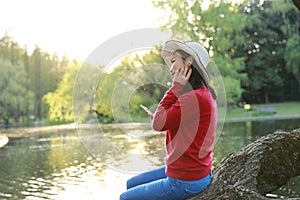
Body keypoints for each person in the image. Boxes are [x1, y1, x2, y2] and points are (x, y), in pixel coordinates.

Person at [120, 40, 217, 200]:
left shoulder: (194, 98)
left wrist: (176, 87)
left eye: (173, 62)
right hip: (186, 172)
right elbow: (171, 123)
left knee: (125, 198)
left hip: (186, 180)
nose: (170, 69)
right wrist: (162, 118)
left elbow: (158, 124)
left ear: (188, 61)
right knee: (131, 183)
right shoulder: (199, 94)